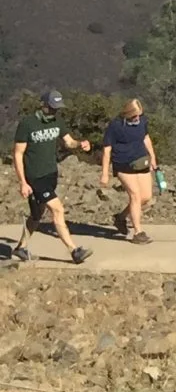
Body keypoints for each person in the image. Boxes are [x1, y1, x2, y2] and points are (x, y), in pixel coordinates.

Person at [13, 89, 93, 265]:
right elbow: (18, 153)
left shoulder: (57, 121)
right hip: (35, 176)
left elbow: (68, 142)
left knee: (36, 215)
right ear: (43, 105)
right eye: (52, 107)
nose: (55, 111)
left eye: (57, 108)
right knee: (57, 209)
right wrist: (23, 182)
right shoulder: (28, 124)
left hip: (50, 174)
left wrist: (81, 144)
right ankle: (74, 251)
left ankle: (20, 247)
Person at [101, 97, 156, 244]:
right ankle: (138, 232)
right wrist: (105, 173)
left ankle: (120, 217)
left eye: (139, 115)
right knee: (135, 195)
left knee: (145, 197)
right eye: (134, 116)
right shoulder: (115, 126)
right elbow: (107, 150)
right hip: (123, 163)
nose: (137, 118)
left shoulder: (143, 122)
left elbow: (146, 138)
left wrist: (153, 159)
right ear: (127, 114)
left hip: (140, 161)